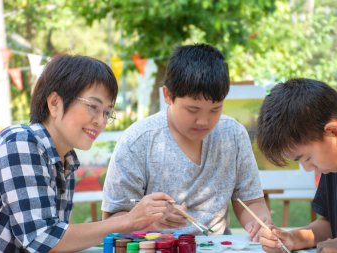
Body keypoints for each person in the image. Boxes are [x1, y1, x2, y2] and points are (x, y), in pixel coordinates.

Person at [0, 55, 174, 253]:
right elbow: (44, 239)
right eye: (93, 106)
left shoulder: (66, 160)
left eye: (107, 113)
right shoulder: (20, 142)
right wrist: (128, 220)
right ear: (54, 103)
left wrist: (146, 221)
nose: (100, 121)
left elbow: (59, 237)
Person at [102, 44, 271, 239]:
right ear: (167, 95)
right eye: (192, 110)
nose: (204, 121)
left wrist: (260, 224)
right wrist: (148, 221)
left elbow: (251, 203)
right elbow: (112, 218)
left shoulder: (233, 134)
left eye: (215, 110)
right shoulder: (137, 142)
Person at [256, 78, 337, 253]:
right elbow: (330, 222)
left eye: (306, 158)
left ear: (334, 132)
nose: (307, 168)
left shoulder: (333, 159)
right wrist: (293, 239)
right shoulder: (335, 162)